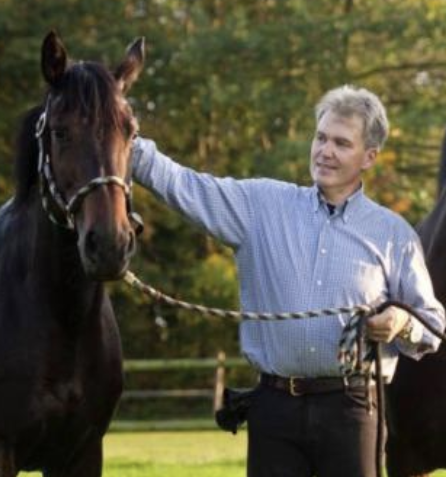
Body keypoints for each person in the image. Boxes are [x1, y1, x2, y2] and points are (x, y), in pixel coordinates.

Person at [132, 85, 445, 477]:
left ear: (369, 157)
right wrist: (123, 135)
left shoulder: (394, 234)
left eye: (342, 143)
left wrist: (401, 322)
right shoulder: (261, 207)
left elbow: (433, 323)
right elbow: (184, 185)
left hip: (353, 410)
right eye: (321, 137)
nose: (325, 151)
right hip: (274, 411)